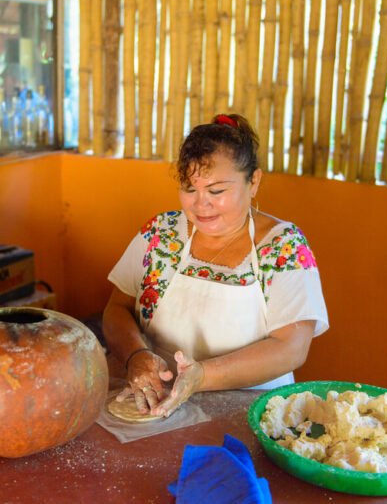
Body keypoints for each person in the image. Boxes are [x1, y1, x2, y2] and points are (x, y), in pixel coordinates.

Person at [103, 113, 329, 418]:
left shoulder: (283, 248)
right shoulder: (160, 234)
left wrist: (202, 377)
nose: (200, 204)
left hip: (250, 414)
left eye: (216, 191)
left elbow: (291, 347)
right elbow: (117, 309)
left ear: (254, 182)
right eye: (190, 188)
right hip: (157, 406)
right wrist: (136, 355)